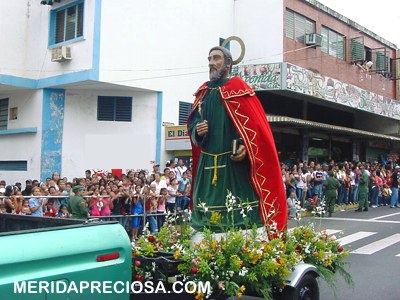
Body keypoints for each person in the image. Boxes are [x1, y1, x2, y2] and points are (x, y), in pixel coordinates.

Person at [187, 46, 287, 238]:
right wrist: (197, 131)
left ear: (228, 62)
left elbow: (255, 129)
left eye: (216, 58)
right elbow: (193, 124)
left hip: (233, 166)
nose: (210, 62)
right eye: (209, 58)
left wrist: (245, 147)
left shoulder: (240, 90)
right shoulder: (203, 93)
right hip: (208, 162)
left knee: (238, 213)